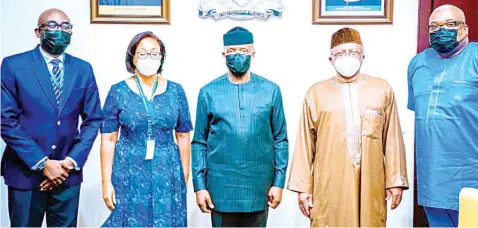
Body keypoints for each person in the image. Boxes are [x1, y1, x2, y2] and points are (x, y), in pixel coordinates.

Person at [288, 27, 409, 227]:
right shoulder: (316, 93)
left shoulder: (381, 89)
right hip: (328, 182)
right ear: (331, 59)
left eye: (353, 52)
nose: (347, 57)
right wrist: (303, 188)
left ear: (363, 56)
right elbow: (304, 143)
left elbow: (393, 138)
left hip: (371, 181)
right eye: (340, 53)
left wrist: (395, 181)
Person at [0, 8, 102, 227]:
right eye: (53, 26)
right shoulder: (13, 65)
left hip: (68, 174)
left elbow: (93, 119)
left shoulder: (83, 69)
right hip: (25, 174)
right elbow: (6, 120)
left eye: (66, 26)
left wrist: (69, 162)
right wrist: (43, 163)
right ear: (38, 31)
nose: (60, 31)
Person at [192, 26, 288, 227]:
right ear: (223, 54)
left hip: (258, 187)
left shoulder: (271, 91)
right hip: (221, 189)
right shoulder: (208, 92)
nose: (238, 56)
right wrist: (199, 186)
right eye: (232, 51)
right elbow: (199, 142)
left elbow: (280, 139)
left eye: (244, 51)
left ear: (253, 53)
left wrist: (278, 182)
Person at [100, 31, 193, 227]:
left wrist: (183, 177)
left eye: (154, 53)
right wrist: (106, 182)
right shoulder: (118, 91)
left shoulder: (176, 91)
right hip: (128, 171)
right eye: (142, 53)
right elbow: (108, 139)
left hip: (167, 170)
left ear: (161, 58)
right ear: (132, 56)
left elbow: (183, 136)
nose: (148, 58)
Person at [407, 4, 478, 227]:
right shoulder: (417, 64)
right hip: (432, 176)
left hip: (471, 175)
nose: (441, 31)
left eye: (449, 25)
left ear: (464, 28)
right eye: (434, 27)